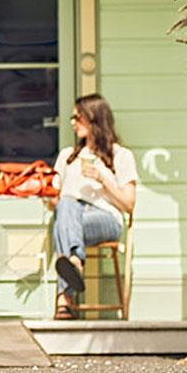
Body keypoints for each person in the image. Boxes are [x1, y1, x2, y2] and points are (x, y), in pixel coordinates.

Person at [49, 94, 138, 319]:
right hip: (71, 216)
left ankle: (65, 298)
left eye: (77, 117)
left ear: (94, 118)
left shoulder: (121, 156)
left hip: (104, 218)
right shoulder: (67, 156)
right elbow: (55, 200)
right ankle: (74, 262)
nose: (73, 122)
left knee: (63, 223)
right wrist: (48, 196)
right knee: (65, 205)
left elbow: (129, 204)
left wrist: (103, 179)